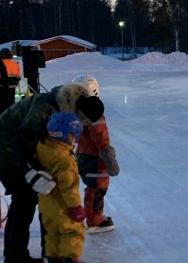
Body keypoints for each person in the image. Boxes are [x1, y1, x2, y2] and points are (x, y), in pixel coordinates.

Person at [0, 82, 103, 263]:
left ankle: (53, 254)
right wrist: (29, 172)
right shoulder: (47, 107)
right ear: (77, 110)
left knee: (48, 197)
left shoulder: (69, 112)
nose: (82, 126)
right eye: (82, 120)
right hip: (6, 146)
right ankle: (15, 257)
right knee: (24, 199)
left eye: (86, 124)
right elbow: (21, 141)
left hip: (30, 148)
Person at [72, 75, 120, 235]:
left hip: (82, 155)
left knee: (93, 186)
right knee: (97, 187)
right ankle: (95, 220)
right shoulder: (94, 112)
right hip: (94, 157)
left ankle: (93, 217)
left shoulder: (75, 111)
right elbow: (101, 137)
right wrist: (109, 158)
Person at [37, 112, 86, 263]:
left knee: (52, 231)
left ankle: (54, 257)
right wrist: (75, 207)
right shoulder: (65, 160)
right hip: (62, 204)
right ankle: (71, 258)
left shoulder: (42, 147)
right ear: (68, 135)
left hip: (45, 203)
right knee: (73, 230)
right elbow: (69, 187)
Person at [0, 47, 21, 115]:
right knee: (11, 106)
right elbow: (18, 77)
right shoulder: (15, 64)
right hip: (12, 88)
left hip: (2, 88)